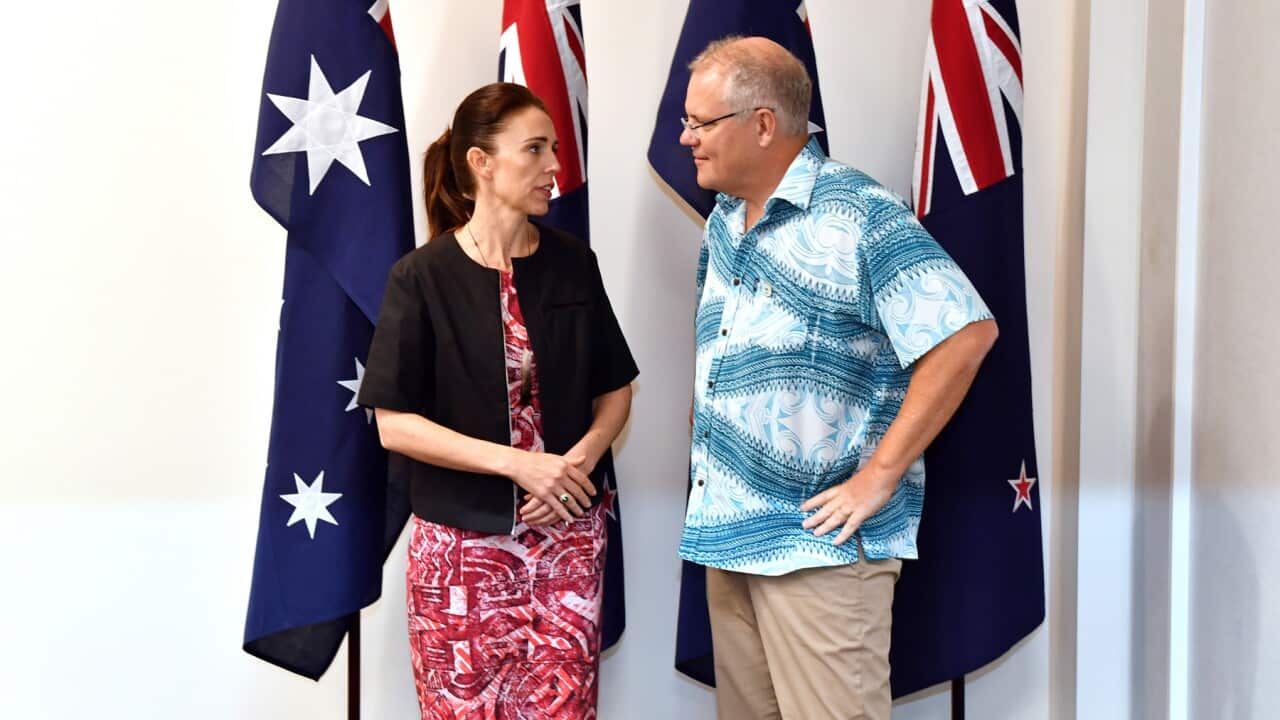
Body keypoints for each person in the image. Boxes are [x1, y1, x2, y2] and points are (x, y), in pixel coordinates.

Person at [677, 37, 999, 720]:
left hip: (818, 549)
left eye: (701, 122)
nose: (686, 139)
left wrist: (878, 476)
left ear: (763, 124)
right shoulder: (724, 224)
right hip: (728, 536)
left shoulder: (858, 214)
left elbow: (965, 334)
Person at [357, 82, 638, 719]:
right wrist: (519, 465)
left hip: (567, 544)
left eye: (555, 148)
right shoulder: (422, 276)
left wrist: (576, 463)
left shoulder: (573, 263)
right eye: (534, 149)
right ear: (481, 162)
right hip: (461, 556)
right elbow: (395, 425)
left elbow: (616, 389)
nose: (554, 166)